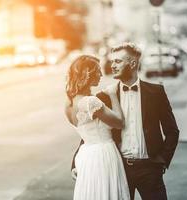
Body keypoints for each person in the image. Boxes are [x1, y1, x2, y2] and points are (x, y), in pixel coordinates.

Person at [71, 43, 180, 200]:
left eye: (118, 61)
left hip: (150, 169)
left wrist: (161, 161)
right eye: (112, 61)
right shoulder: (104, 97)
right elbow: (91, 132)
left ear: (133, 63)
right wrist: (75, 163)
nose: (112, 65)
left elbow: (172, 131)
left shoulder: (156, 92)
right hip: (118, 168)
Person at [65, 55, 130, 200]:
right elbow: (120, 122)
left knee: (93, 193)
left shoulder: (68, 104)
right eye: (97, 71)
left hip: (86, 155)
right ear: (87, 74)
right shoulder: (91, 102)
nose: (101, 74)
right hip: (103, 153)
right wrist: (112, 95)